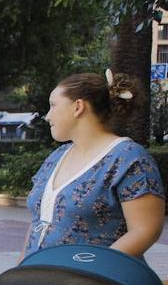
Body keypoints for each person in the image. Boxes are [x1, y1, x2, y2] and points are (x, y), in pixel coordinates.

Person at [24, 70, 163, 258]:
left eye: (53, 106)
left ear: (78, 107)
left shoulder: (129, 158)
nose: (48, 116)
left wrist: (92, 269)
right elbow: (37, 223)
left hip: (98, 283)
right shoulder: (56, 157)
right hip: (42, 280)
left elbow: (145, 231)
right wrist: (20, 272)